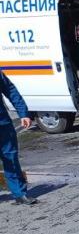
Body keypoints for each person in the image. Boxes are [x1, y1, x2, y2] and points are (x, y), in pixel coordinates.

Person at [0, 70, 37, 205]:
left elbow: (10, 90)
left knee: (11, 158)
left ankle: (20, 194)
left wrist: (23, 113)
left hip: (2, 124)